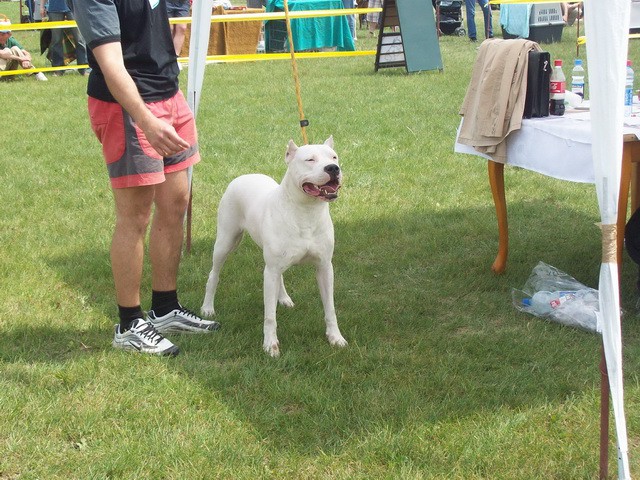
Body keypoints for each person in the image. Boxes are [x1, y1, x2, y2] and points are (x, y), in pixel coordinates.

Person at [71, 0, 220, 356]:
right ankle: (129, 323)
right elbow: (110, 64)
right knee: (135, 216)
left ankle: (166, 308)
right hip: (127, 106)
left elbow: (166, 30)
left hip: (169, 95)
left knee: (175, 203)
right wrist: (146, 120)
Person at [41, 0, 89, 76]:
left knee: (80, 39)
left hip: (74, 8)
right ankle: (58, 69)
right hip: (54, 8)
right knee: (56, 40)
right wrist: (42, 6)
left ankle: (84, 68)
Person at [166, 0, 190, 68]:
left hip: (183, 3)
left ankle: (175, 59)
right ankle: (166, 57)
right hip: (166, 2)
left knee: (182, 28)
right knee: (168, 29)